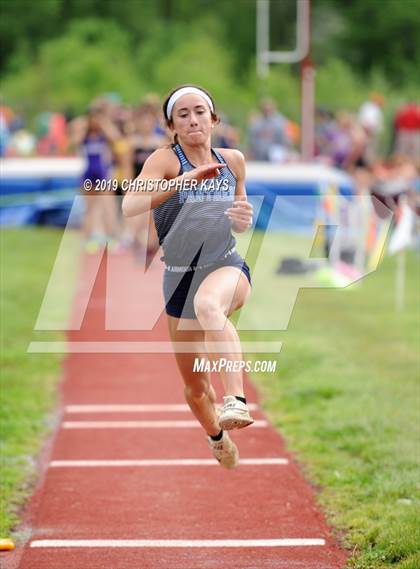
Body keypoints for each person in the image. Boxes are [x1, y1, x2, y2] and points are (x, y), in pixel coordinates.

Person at [123, 85, 254, 469]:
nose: (193, 119)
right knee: (197, 390)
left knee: (209, 305)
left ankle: (236, 400)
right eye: (183, 114)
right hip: (179, 276)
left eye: (200, 112)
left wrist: (243, 219)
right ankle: (216, 435)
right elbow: (131, 204)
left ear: (214, 119)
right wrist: (184, 181)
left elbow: (241, 215)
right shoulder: (165, 161)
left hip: (226, 265)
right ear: (172, 125)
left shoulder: (233, 160)